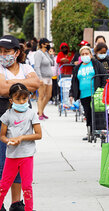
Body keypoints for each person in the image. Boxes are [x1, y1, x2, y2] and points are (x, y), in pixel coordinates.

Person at [0, 35, 40, 211]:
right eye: (0, 51)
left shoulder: (26, 67)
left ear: (16, 52)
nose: (3, 55)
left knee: (20, 161)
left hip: (24, 123)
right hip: (4, 120)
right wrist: (23, 86)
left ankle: (16, 203)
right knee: (3, 162)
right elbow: (1, 89)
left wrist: (11, 84)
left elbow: (36, 83)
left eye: (7, 51)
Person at [69, 46, 106, 140]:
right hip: (83, 94)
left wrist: (102, 89)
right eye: (82, 54)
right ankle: (90, 131)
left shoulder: (96, 64)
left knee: (97, 112)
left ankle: (98, 131)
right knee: (88, 113)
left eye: (86, 53)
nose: (85, 56)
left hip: (96, 93)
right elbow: (74, 82)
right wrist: (71, 94)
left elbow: (103, 76)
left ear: (90, 54)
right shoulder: (78, 67)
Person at [34, 38, 54, 120]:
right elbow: (37, 66)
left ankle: (41, 111)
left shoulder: (46, 53)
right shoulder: (38, 53)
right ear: (42, 44)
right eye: (47, 43)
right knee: (41, 95)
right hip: (42, 77)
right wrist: (39, 78)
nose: (48, 45)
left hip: (49, 77)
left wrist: (51, 54)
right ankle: (40, 113)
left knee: (48, 95)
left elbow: (52, 63)